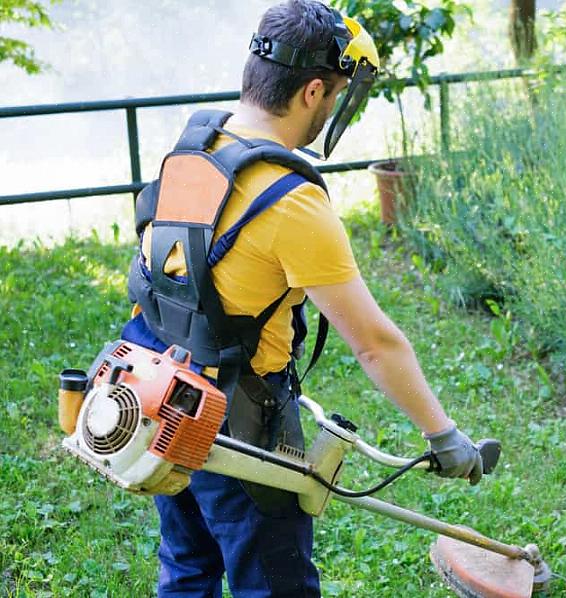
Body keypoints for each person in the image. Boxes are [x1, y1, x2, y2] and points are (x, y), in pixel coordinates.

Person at [120, 1, 484, 595]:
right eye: (338, 91)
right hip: (237, 424)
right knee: (276, 582)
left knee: (187, 566)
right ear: (313, 91)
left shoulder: (194, 147)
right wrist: (443, 436)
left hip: (162, 395)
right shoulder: (292, 200)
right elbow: (373, 343)